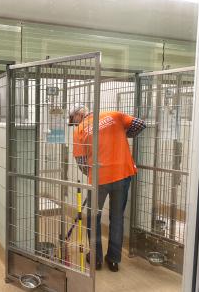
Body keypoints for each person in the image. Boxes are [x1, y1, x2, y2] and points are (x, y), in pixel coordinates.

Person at [69, 104, 146, 272]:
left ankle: (96, 259)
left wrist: (92, 174)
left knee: (92, 218)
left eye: (72, 119)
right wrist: (122, 135)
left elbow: (81, 162)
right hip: (123, 174)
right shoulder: (114, 115)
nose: (73, 123)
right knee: (117, 217)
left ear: (78, 114)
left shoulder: (80, 130)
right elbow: (141, 124)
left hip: (99, 179)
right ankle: (113, 260)